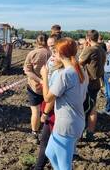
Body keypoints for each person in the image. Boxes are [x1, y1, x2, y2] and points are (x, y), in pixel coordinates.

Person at [40, 37, 88, 170]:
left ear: (60, 54)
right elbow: (83, 97)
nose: (53, 55)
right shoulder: (81, 71)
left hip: (66, 125)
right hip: (75, 121)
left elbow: (48, 98)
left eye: (55, 52)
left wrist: (45, 76)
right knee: (50, 153)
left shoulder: (65, 74)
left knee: (64, 165)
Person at [35, 34, 58, 170]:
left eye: (53, 46)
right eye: (49, 46)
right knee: (46, 140)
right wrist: (44, 83)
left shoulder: (59, 66)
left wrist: (45, 112)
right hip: (51, 104)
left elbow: (52, 96)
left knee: (47, 140)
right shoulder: (52, 58)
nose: (51, 49)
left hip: (52, 107)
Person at [24, 33, 51, 144]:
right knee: (48, 111)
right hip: (50, 88)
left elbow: (27, 71)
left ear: (37, 41)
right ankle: (48, 133)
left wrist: (40, 81)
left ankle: (34, 134)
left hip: (34, 87)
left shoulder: (32, 53)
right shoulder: (52, 53)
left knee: (35, 111)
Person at [79, 30, 106, 140]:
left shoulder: (90, 49)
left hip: (89, 83)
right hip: (97, 82)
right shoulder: (101, 48)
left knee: (83, 108)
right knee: (92, 107)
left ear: (88, 39)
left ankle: (80, 132)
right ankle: (90, 132)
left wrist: (85, 48)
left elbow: (78, 62)